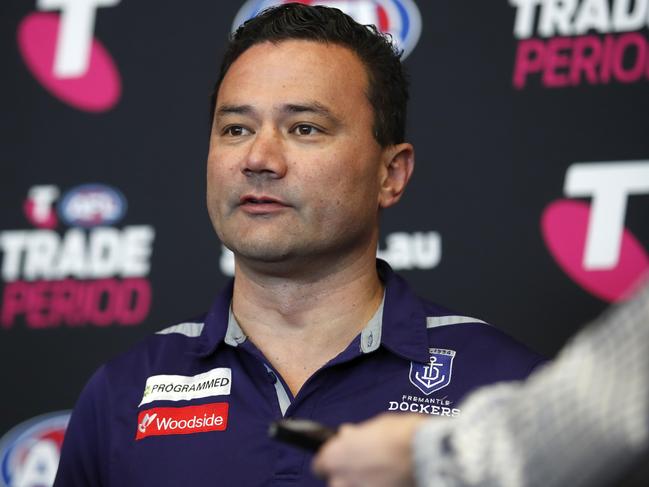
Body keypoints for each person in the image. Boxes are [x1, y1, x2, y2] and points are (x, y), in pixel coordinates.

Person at [53, 4, 545, 486]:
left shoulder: (508, 388)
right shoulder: (121, 392)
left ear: (390, 174)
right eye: (236, 129)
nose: (259, 158)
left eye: (304, 128)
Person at [313, 279, 649, 487]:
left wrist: (423, 457)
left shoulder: (513, 369)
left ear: (393, 174)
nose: (259, 160)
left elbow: (602, 408)